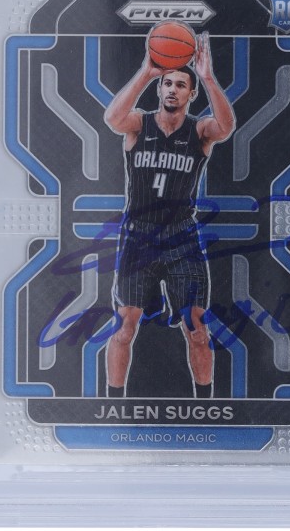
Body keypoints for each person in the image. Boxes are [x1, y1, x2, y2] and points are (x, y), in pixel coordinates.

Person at [103, 31, 236, 398]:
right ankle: (113, 402)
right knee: (124, 328)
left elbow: (226, 127)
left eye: (180, 84)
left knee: (197, 330)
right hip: (139, 237)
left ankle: (205, 404)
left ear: (191, 94)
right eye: (167, 83)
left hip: (182, 237)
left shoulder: (199, 131)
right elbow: (112, 118)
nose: (172, 89)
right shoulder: (138, 124)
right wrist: (146, 72)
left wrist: (207, 77)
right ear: (159, 90)